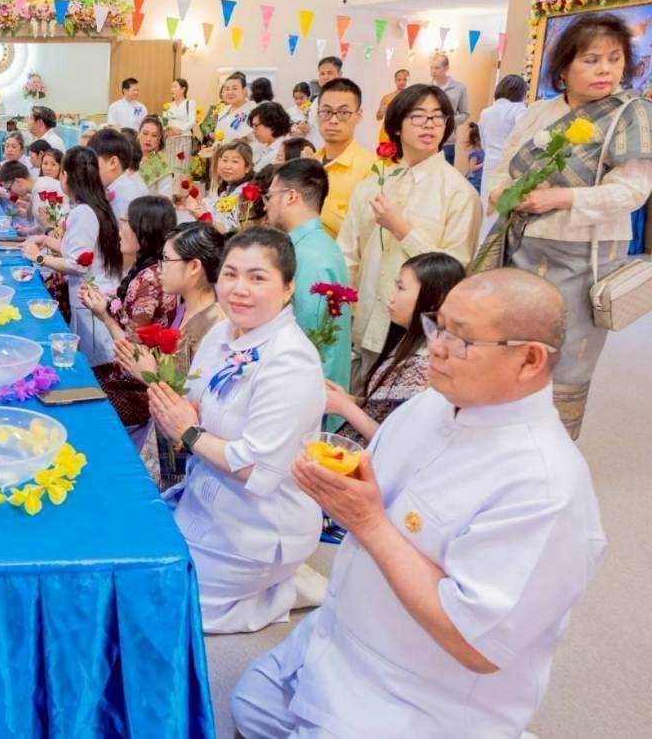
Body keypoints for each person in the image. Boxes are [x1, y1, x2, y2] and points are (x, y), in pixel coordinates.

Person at [232, 269, 606, 739]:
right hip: (339, 641)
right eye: (438, 326)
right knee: (249, 707)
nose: (436, 347)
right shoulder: (432, 404)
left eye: (461, 339)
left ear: (529, 359)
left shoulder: (544, 486)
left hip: (416, 696)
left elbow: (476, 644)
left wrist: (367, 521)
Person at [481, 13, 652, 438]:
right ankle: (498, 439)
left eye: (614, 59)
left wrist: (561, 198)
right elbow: (502, 171)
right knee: (511, 345)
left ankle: (551, 450)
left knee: (566, 356)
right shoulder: (539, 112)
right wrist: (506, 194)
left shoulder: (629, 114)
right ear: (563, 67)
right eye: (591, 60)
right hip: (520, 248)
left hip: (583, 258)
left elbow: (631, 191)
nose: (605, 70)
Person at [151, 227, 325, 633]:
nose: (239, 289)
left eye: (257, 277)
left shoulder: (290, 361)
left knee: (166, 609)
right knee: (139, 564)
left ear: (288, 288)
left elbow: (253, 466)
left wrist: (189, 432)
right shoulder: (223, 331)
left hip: (257, 526)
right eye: (230, 274)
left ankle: (279, 591)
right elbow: (196, 401)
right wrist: (178, 411)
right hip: (204, 499)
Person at [338, 85, 481, 388]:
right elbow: (349, 252)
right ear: (396, 126)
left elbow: (453, 272)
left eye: (437, 117)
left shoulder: (459, 193)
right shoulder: (374, 184)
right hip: (362, 324)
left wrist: (401, 229)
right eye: (418, 116)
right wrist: (342, 309)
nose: (429, 125)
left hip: (415, 341)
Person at [112, 222, 228, 488]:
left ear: (194, 266)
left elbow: (197, 404)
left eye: (166, 259)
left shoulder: (214, 327)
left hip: (186, 452)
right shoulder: (186, 309)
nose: (159, 267)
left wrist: (149, 374)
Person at [324, 252, 464, 447]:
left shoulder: (424, 367)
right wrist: (352, 400)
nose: (391, 298)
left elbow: (400, 444)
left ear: (434, 298)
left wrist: (345, 407)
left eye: (401, 288)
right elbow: (387, 410)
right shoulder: (407, 342)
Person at [81, 196, 179, 434]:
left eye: (126, 222)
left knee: (80, 402)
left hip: (136, 386)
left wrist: (103, 314)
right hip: (135, 375)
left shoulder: (148, 280)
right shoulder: (153, 270)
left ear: (143, 230)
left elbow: (133, 348)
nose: (119, 229)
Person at [21, 146, 124, 365]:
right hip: (94, 294)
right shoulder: (95, 205)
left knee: (96, 360)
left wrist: (38, 257)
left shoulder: (84, 212)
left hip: (91, 298)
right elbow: (78, 249)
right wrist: (46, 240)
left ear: (66, 175)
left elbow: (77, 264)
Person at [263, 159, 351, 390]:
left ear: (291, 197)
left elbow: (306, 334)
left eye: (269, 196)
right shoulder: (314, 245)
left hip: (307, 386)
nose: (265, 206)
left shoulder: (311, 256)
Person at [312, 77, 376, 238]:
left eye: (343, 113)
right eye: (326, 112)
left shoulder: (372, 168)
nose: (333, 120)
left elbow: (367, 232)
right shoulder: (310, 163)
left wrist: (309, 202)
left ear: (359, 115)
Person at [476, 74, 530, 236]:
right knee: (504, 209)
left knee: (487, 206)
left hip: (490, 163)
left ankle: (482, 244)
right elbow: (524, 138)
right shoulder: (519, 110)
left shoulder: (486, 112)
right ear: (521, 92)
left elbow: (483, 141)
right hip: (510, 166)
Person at [190, 138, 255, 233]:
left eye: (235, 161)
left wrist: (206, 217)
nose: (227, 166)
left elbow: (235, 231)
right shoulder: (226, 188)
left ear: (247, 167)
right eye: (224, 160)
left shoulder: (248, 194)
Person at [92, 126, 150, 221]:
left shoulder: (127, 197)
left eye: (94, 163)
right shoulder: (117, 187)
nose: (90, 169)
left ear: (113, 162)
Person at [430, 53, 469, 164]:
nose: (433, 71)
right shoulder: (426, 88)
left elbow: (465, 114)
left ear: (446, 68)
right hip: (427, 140)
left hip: (447, 142)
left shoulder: (460, 88)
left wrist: (448, 121)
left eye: (437, 68)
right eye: (431, 68)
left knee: (446, 174)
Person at [303, 57, 344, 151]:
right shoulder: (317, 99)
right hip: (313, 148)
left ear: (340, 75)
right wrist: (305, 127)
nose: (325, 77)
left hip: (331, 150)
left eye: (330, 73)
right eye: (322, 73)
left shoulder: (343, 98)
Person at [204, 72, 254, 143]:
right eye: (227, 89)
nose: (230, 92)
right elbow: (218, 137)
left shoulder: (253, 109)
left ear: (244, 90)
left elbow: (250, 138)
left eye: (234, 88)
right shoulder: (223, 111)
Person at [247, 101, 292, 171]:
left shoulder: (281, 152)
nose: (253, 131)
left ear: (271, 124)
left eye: (256, 126)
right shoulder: (262, 145)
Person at [164, 78, 197, 173]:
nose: (172, 89)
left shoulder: (189, 103)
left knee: (182, 166)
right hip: (170, 139)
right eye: (172, 87)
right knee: (170, 166)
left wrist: (180, 129)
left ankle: (182, 182)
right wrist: (168, 129)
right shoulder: (168, 105)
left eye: (175, 87)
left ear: (183, 89)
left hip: (183, 139)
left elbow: (192, 121)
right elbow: (164, 121)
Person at [137, 114, 174, 194]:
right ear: (138, 134)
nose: (148, 139)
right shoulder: (127, 159)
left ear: (158, 139)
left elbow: (165, 197)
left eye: (154, 135)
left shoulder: (162, 166)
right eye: (145, 133)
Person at [465, 122, 485, 191]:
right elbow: (472, 168)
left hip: (480, 179)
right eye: (482, 138)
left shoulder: (482, 149)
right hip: (475, 181)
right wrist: (483, 164)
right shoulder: (474, 152)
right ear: (476, 139)